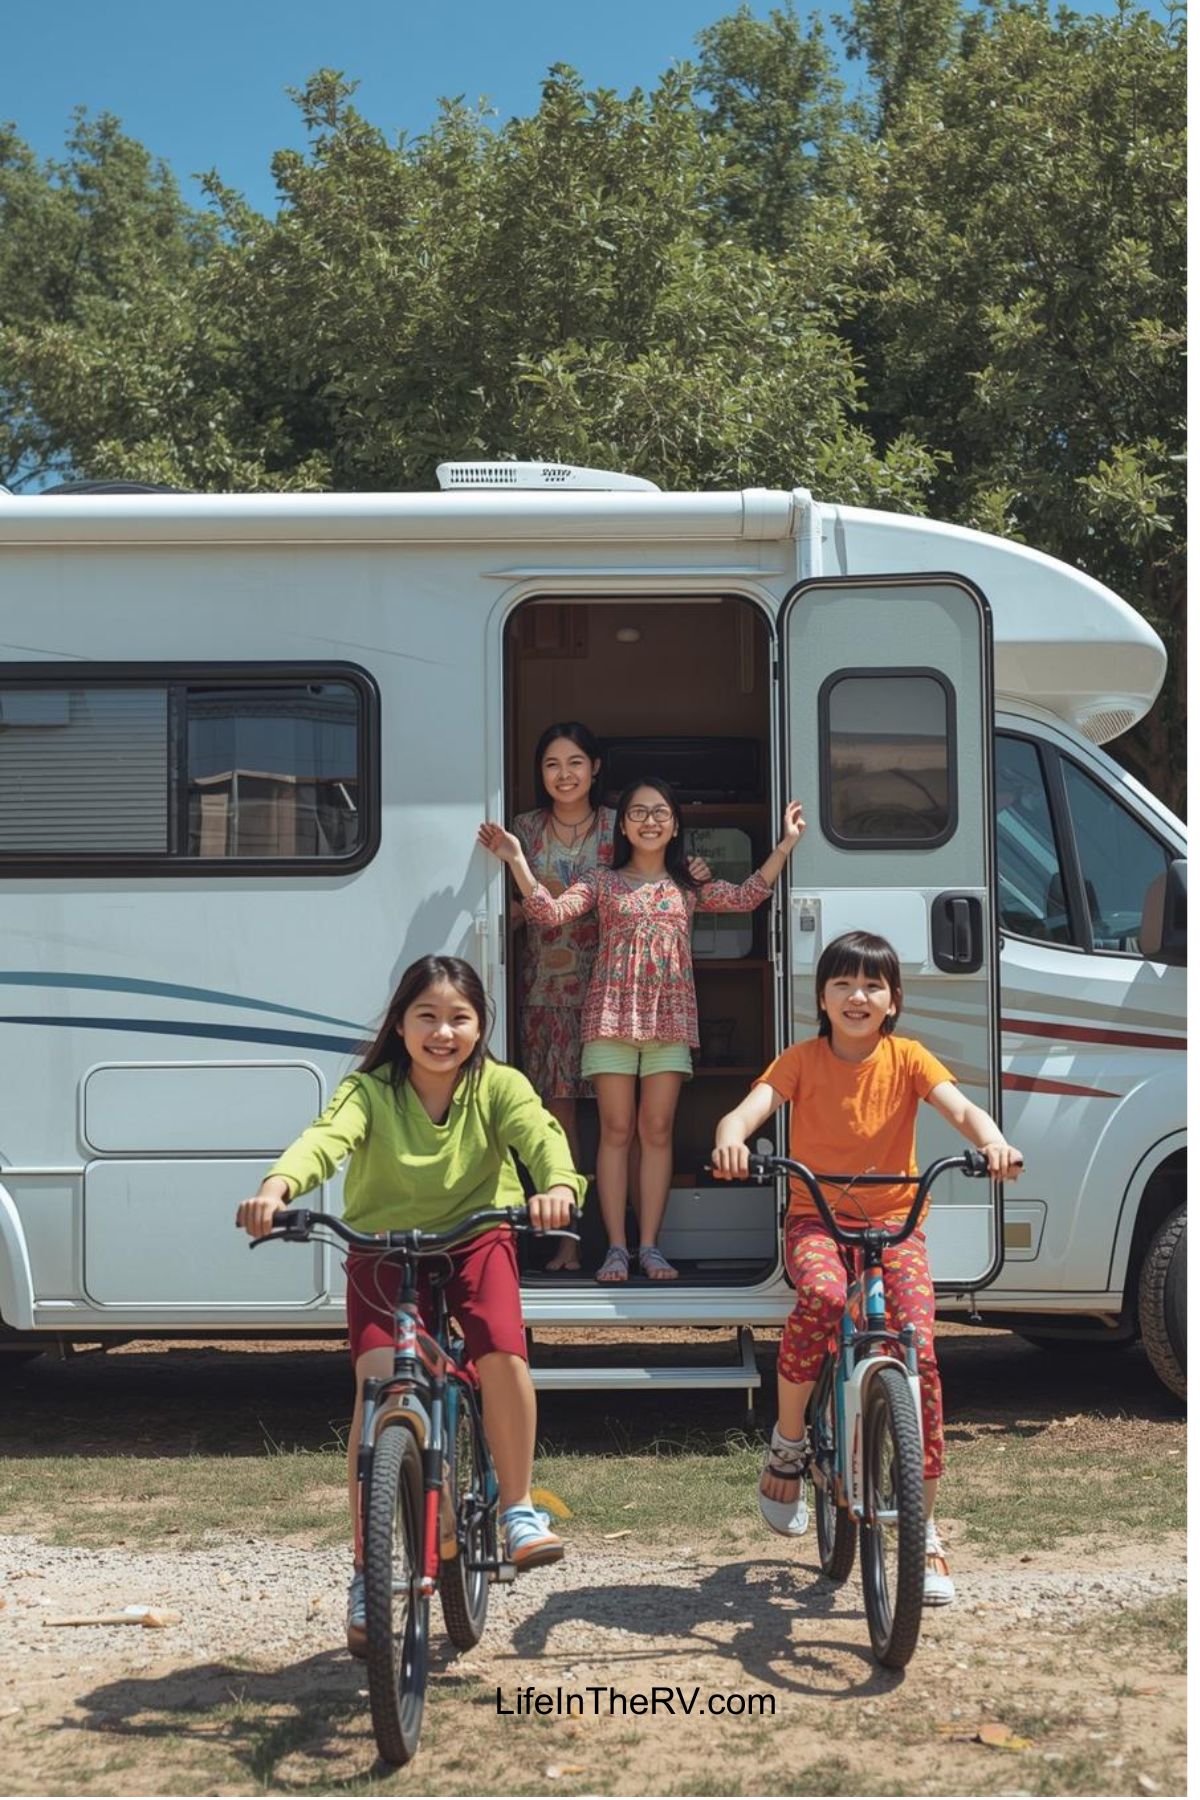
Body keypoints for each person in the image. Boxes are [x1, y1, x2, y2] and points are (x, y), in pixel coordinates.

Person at [236, 954, 586, 1655]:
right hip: (381, 1246)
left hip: (476, 1233)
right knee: (375, 1386)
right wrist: (277, 1189)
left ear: (480, 1025)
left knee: (498, 1348)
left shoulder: (500, 1086)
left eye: (459, 1018)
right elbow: (324, 1142)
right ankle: (369, 1571)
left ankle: (517, 1508)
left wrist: (557, 1188)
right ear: (400, 1025)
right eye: (426, 1016)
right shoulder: (368, 1091)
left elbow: (543, 1140)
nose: (443, 1032)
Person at [711, 929, 1023, 1606]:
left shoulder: (908, 1059)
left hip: (895, 1225)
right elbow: (750, 1109)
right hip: (817, 1219)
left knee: (921, 1350)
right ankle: (789, 1443)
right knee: (823, 1296)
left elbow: (960, 1107)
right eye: (843, 984)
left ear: (893, 1000)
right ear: (820, 998)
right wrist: (732, 1139)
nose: (858, 996)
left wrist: (992, 1141)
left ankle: (926, 1526)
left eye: (873, 985)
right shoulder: (800, 1059)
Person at [480, 781, 804, 1283]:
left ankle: (650, 1247)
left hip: (669, 1021)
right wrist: (516, 858)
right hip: (609, 1018)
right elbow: (549, 913)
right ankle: (615, 1248)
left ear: (675, 824)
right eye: (638, 812)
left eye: (660, 813)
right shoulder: (603, 881)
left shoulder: (688, 885)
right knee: (615, 1132)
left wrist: (784, 845)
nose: (649, 821)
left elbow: (746, 897)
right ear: (623, 824)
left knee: (656, 1132)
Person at [510, 723, 617, 1272]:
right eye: (552, 764)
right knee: (561, 1123)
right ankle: (568, 1244)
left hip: (612, 992)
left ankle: (627, 1244)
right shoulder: (524, 830)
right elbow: (503, 908)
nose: (564, 775)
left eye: (575, 762)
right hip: (544, 994)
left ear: (594, 767)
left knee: (624, 1123)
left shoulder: (619, 828)